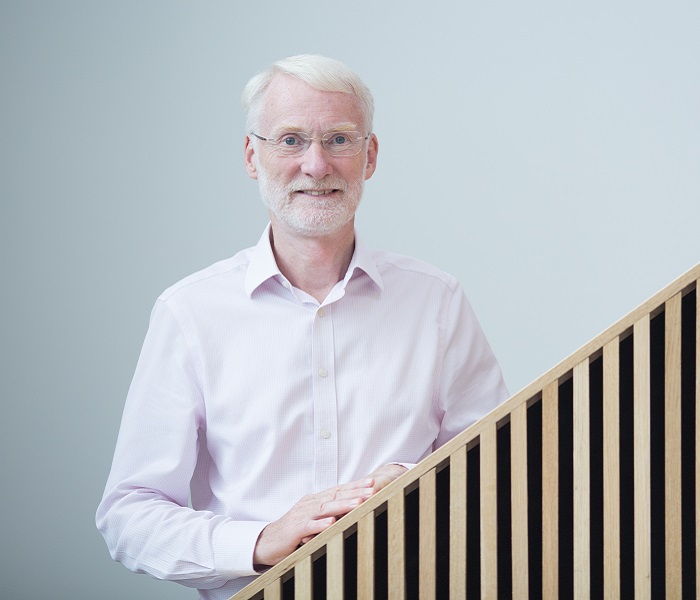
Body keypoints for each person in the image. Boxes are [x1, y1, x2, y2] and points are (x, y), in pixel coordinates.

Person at [96, 54, 509, 599]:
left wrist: (415, 488)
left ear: (371, 156)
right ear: (251, 156)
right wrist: (261, 540)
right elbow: (130, 515)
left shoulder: (437, 301)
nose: (316, 164)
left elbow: (501, 476)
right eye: (290, 140)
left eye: (339, 139)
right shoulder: (189, 313)